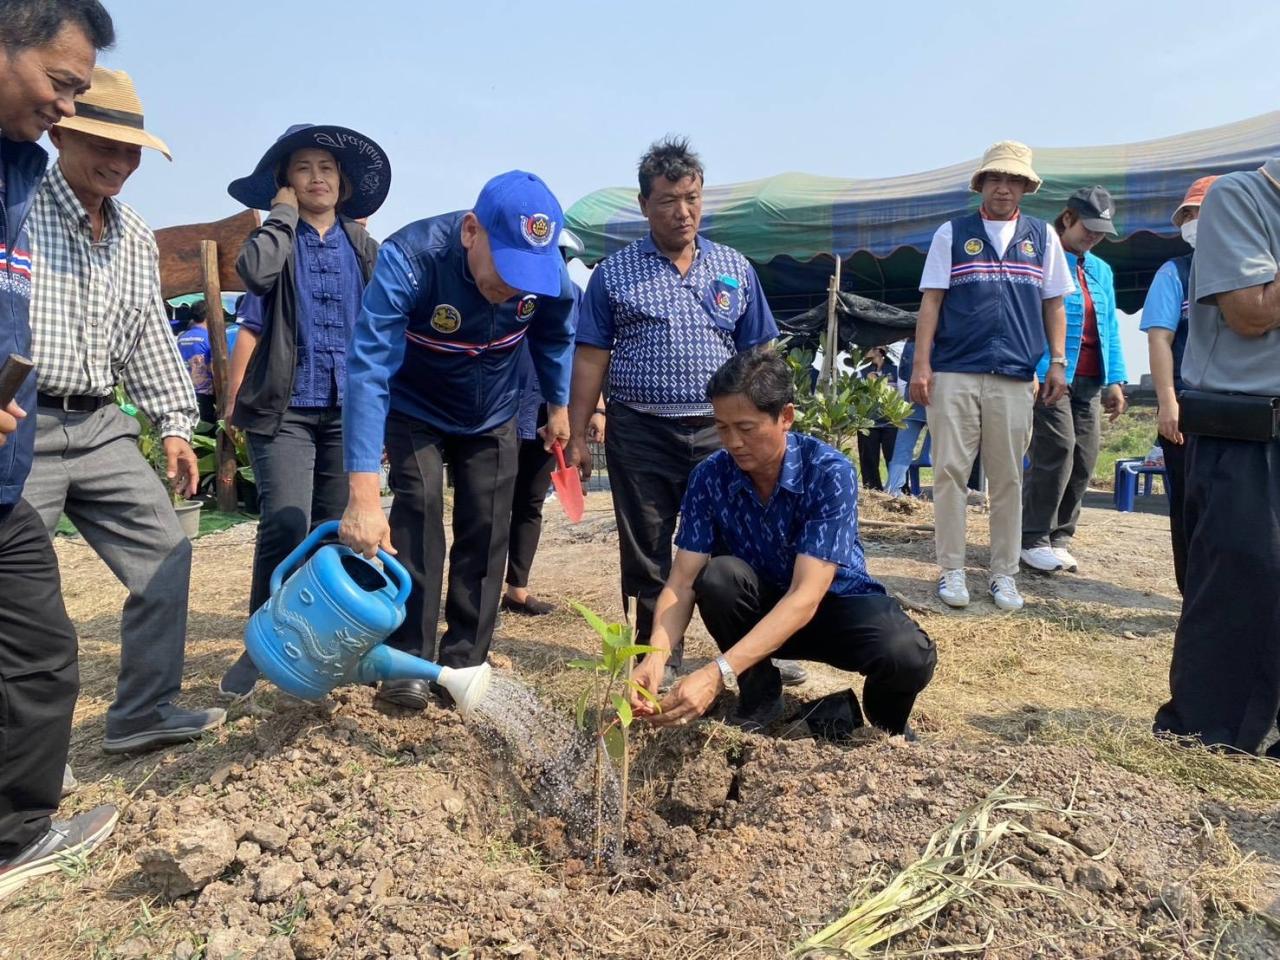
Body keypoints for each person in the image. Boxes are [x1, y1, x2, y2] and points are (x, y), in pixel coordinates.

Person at [24, 66, 224, 754]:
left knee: (166, 555)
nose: (119, 162)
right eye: (103, 146)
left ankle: (143, 711)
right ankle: (24, 759)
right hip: (22, 424)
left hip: (102, 423)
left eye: (130, 151)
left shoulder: (134, 234)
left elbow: (145, 336)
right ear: (60, 133)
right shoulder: (15, 209)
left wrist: (174, 424)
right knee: (17, 598)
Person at [567, 137, 805, 687]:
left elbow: (761, 355)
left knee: (740, 544)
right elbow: (590, 358)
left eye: (692, 198)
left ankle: (755, 652)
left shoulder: (734, 268)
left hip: (724, 437)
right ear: (644, 204)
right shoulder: (615, 274)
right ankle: (659, 658)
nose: (683, 212)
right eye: (669, 200)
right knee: (650, 548)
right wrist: (578, 433)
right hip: (641, 430)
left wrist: (771, 429)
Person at [339, 171, 577, 711]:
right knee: (418, 513)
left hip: (491, 407)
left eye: (528, 275)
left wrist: (557, 405)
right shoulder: (411, 258)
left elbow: (556, 329)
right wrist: (362, 492)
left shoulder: (548, 276)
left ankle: (466, 658)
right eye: (507, 269)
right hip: (414, 406)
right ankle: (410, 660)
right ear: (472, 230)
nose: (516, 288)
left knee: (488, 525)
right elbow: (369, 366)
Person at [629, 348, 936, 733]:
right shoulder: (710, 477)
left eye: (746, 428)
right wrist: (656, 655)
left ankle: (884, 725)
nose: (733, 442)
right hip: (758, 608)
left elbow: (806, 596)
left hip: (835, 607)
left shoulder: (828, 472)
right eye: (722, 428)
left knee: (906, 653)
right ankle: (759, 695)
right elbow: (682, 580)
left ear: (785, 417)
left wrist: (716, 672)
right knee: (719, 577)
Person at [0, 0, 118, 896]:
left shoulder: (15, 167)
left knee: (38, 647)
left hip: (8, 465)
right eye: (59, 84)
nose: (66, 108)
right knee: (38, 649)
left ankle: (15, 818)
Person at [216, 124, 386, 699]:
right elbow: (254, 278)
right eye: (303, 168)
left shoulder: (364, 248)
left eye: (327, 168)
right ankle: (260, 645)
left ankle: (313, 643)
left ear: (342, 183)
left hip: (348, 410)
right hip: (285, 408)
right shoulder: (275, 239)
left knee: (330, 532)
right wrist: (281, 217)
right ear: (286, 182)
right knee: (286, 523)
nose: (317, 177)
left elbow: (384, 328)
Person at [910, 141, 1072, 612]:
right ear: (982, 184)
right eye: (996, 179)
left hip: (1016, 375)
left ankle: (1004, 574)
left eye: (1014, 180)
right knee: (949, 474)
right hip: (955, 371)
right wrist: (922, 365)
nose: (1004, 188)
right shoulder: (953, 233)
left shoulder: (1042, 236)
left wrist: (1057, 362)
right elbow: (932, 302)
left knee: (1006, 480)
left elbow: (1055, 304)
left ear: (1025, 187)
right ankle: (952, 570)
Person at [1153, 157, 1280, 759]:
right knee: (1240, 583)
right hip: (1248, 433)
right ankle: (1208, 736)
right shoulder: (1241, 197)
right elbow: (1251, 313)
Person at [1020, 187, 1128, 574]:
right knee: (1057, 451)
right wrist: (1037, 368)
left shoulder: (1101, 270)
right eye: (1089, 227)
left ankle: (1061, 535)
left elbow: (1110, 327)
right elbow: (1031, 319)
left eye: (1101, 231)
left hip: (1090, 378)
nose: (1094, 236)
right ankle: (1032, 537)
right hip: (1052, 375)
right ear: (1067, 218)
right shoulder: (1042, 261)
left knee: (1085, 456)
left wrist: (1115, 380)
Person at [500, 228, 594, 618]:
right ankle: (481, 591)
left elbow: (584, 355)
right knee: (492, 503)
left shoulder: (573, 296)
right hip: (501, 409)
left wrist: (592, 412)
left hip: (547, 415)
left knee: (530, 502)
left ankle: (516, 589)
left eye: (562, 256)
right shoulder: (506, 288)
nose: (555, 262)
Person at [1139, 177, 1217, 594]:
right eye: (1187, 214)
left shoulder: (1258, 267)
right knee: (1188, 504)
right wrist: (1167, 401)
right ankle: (1192, 594)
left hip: (1244, 409)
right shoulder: (1175, 272)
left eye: (1199, 212)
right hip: (1189, 405)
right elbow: (1159, 338)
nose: (1192, 221)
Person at [886, 339, 928, 497]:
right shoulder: (946, 336)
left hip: (912, 399)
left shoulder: (911, 342)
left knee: (903, 448)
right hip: (937, 398)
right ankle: (950, 489)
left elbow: (903, 372)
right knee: (944, 449)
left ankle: (893, 488)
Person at [854, 345, 899, 492]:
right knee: (869, 460)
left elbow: (900, 393)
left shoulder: (894, 371)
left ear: (878, 352)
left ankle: (897, 489)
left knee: (894, 458)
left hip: (890, 422)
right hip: (869, 422)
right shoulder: (862, 372)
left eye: (869, 348)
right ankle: (872, 491)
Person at [176, 299, 215, 425]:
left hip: (184, 392)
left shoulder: (181, 337)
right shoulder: (210, 338)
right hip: (206, 395)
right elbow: (213, 368)